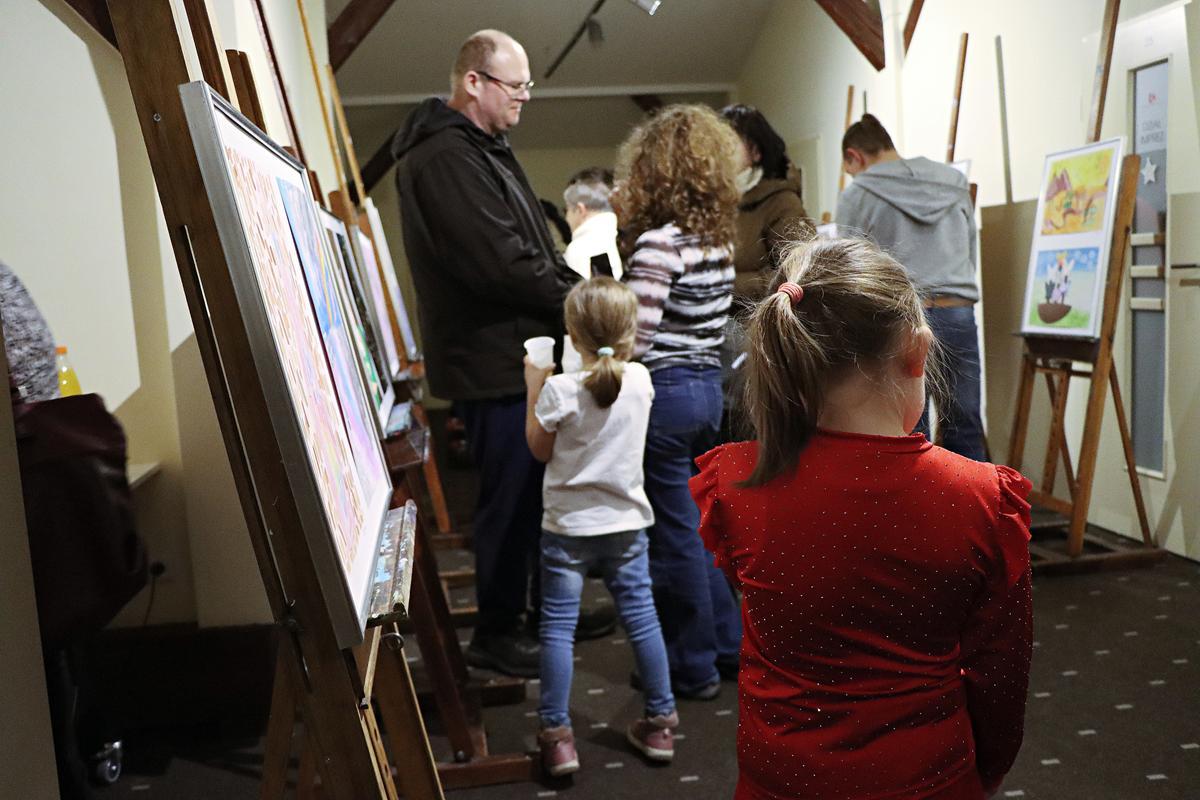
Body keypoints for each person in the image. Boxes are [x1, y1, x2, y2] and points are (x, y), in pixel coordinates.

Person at [691, 237, 1033, 800]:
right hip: (928, 779)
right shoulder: (980, 498)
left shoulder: (733, 482)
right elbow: (1000, 673)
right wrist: (986, 771)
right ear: (919, 351)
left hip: (778, 779)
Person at [392, 29, 608, 678]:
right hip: (492, 361)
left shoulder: (481, 148)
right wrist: (586, 301)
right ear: (474, 82)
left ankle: (544, 613)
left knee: (534, 495)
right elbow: (501, 264)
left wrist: (575, 291)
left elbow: (529, 247)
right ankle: (497, 630)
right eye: (515, 85)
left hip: (515, 352)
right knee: (510, 501)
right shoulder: (444, 159)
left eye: (526, 85)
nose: (525, 97)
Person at [613, 104, 743, 700]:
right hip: (707, 392)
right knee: (697, 526)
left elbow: (633, 340)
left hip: (663, 397)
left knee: (675, 537)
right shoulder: (716, 244)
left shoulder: (658, 246)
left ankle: (691, 667)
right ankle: (728, 645)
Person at [523, 277, 678, 776]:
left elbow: (539, 449)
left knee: (558, 627)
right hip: (627, 526)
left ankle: (557, 737)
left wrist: (533, 385)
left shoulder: (559, 390)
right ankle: (660, 724)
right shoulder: (641, 381)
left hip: (567, 529)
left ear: (572, 334)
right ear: (631, 332)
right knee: (642, 618)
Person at [836, 113, 986, 460]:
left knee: (907, 430)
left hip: (899, 317)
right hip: (957, 311)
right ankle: (975, 496)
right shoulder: (953, 181)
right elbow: (969, 249)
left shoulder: (858, 194)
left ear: (855, 157)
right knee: (965, 422)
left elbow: (851, 268)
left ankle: (915, 498)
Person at [720, 104, 813, 304]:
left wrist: (724, 284)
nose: (718, 153)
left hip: (756, 318)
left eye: (727, 144)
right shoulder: (718, 200)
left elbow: (803, 274)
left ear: (755, 152)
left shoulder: (781, 202)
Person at [562, 167, 622, 281]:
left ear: (580, 210)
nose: (566, 218)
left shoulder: (580, 249)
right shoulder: (626, 241)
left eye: (567, 210)